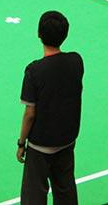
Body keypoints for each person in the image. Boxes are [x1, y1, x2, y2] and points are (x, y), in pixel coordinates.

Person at [17, 11, 84, 205]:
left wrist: (21, 143)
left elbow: (30, 114)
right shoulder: (76, 61)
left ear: (39, 34)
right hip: (67, 139)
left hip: (40, 145)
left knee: (34, 195)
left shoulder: (34, 71)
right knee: (66, 190)